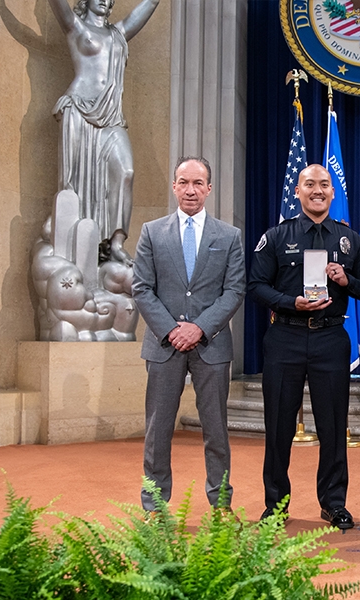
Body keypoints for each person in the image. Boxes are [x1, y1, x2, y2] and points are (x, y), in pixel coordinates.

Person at [248, 164, 360, 529]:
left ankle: (334, 503)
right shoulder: (276, 236)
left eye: (324, 184)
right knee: (278, 426)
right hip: (285, 336)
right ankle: (275, 505)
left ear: (333, 192)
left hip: (330, 338)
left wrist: (346, 278)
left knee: (333, 426)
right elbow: (256, 286)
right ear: (298, 191)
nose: (317, 190)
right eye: (310, 184)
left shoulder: (348, 239)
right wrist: (292, 302)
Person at [132, 156, 246, 511]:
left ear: (209, 189)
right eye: (184, 182)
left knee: (216, 433)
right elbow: (141, 288)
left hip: (211, 346)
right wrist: (171, 330)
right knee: (157, 432)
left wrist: (199, 328)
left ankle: (220, 506)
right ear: (174, 186)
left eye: (198, 183)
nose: (191, 190)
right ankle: (154, 508)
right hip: (163, 346)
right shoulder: (152, 232)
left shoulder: (229, 236)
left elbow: (234, 290)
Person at [47, 0, 160, 243]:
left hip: (110, 118)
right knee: (74, 186)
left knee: (126, 171)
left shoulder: (118, 32)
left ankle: (116, 243)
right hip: (78, 110)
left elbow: (151, 3)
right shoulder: (75, 26)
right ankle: (74, 241)